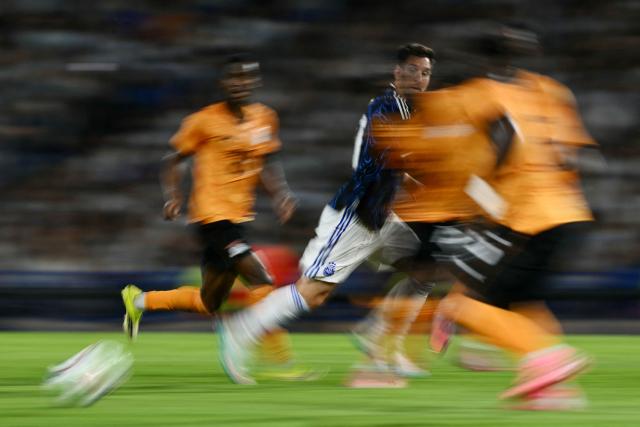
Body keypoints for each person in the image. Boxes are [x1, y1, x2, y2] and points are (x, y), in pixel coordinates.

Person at [378, 24, 595, 409]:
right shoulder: (553, 91)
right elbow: (575, 156)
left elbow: (506, 135)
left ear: (481, 59)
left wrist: (484, 200)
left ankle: (546, 358)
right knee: (523, 304)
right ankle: (550, 388)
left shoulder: (477, 94)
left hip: (522, 218)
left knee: (463, 306)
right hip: (570, 212)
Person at [217, 43, 435, 385]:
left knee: (426, 267)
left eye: (424, 73)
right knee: (313, 292)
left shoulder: (411, 113)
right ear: (396, 71)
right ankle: (241, 328)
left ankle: (380, 342)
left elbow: (401, 164)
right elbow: (372, 161)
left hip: (383, 217)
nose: (418, 78)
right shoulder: (385, 106)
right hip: (358, 216)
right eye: (411, 70)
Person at [120, 55, 304, 374]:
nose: (240, 83)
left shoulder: (265, 118)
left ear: (255, 83)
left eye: (246, 78)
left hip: (239, 217)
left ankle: (138, 301)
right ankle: (276, 359)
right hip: (211, 216)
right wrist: (173, 197)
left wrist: (281, 194)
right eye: (234, 77)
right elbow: (173, 159)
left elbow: (268, 163)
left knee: (209, 301)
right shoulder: (203, 120)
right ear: (223, 83)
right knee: (261, 279)